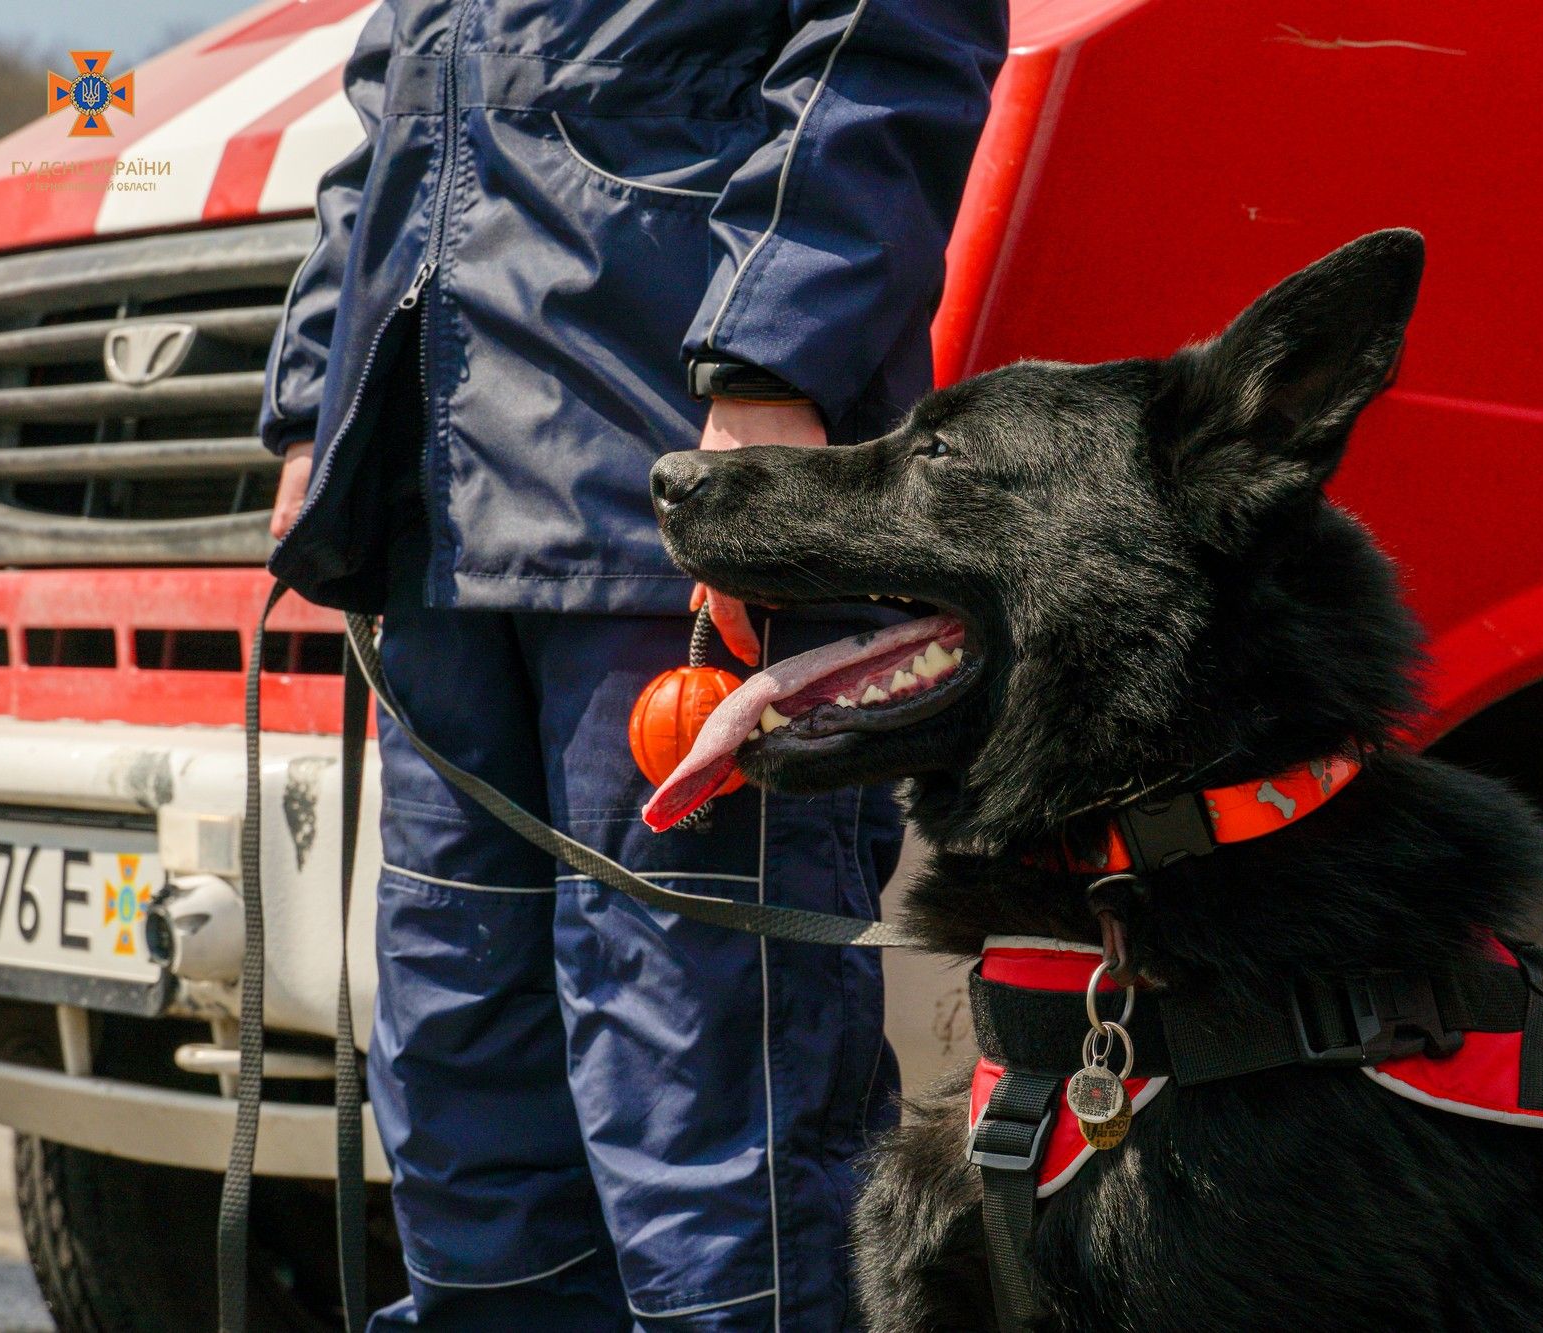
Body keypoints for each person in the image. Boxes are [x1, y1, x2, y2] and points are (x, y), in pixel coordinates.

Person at [256, 2, 1007, 1327]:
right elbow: (395, 103)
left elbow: (890, 42)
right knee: (458, 1077)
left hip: (665, 489)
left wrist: (779, 352)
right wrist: (324, 386)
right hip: (442, 510)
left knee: (706, 1102)